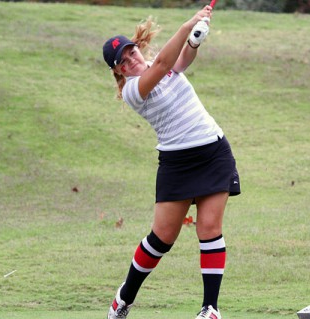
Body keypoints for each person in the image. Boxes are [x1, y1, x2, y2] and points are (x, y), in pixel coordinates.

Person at [102, 5, 240, 319]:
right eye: (123, 62)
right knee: (162, 238)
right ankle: (124, 298)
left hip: (213, 152)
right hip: (177, 163)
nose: (131, 60)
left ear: (137, 49)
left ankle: (210, 309)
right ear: (119, 72)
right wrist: (188, 22)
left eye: (131, 52)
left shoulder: (155, 64)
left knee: (209, 229)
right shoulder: (134, 91)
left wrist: (193, 41)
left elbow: (179, 62)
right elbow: (165, 62)